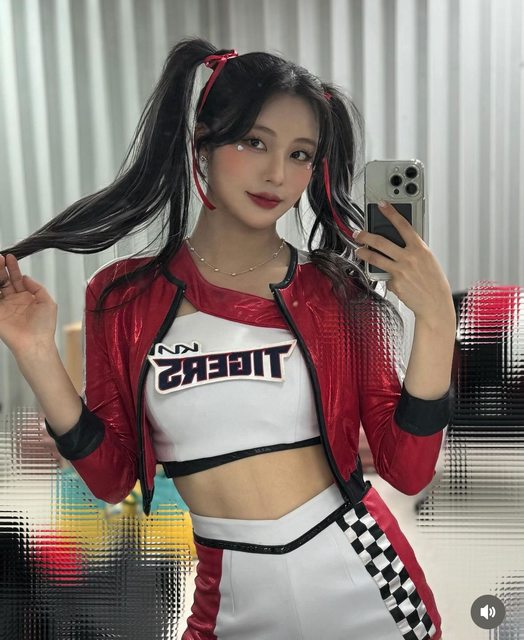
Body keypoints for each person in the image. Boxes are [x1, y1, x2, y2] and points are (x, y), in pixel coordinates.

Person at [0, 36, 456, 639]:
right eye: (254, 142)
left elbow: (408, 469)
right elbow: (111, 480)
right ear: (203, 143)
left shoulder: (335, 291)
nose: (276, 174)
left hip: (366, 581)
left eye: (300, 154)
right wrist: (35, 351)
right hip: (229, 601)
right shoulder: (123, 296)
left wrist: (437, 322)